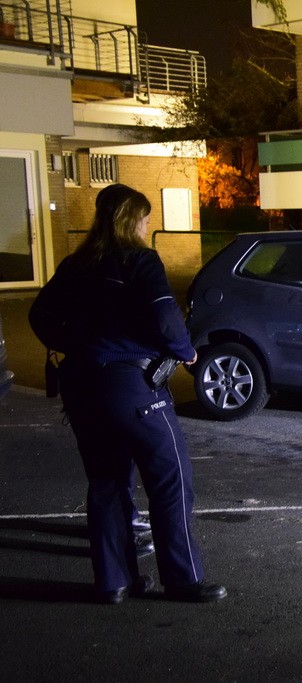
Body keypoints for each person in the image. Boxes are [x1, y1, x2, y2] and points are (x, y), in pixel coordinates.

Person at [29, 184, 226, 604]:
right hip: (132, 387)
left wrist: (78, 342)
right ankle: (183, 578)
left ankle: (114, 582)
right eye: (145, 217)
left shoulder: (75, 264)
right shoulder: (140, 260)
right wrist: (186, 352)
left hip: (81, 385)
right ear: (131, 220)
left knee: (106, 481)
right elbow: (165, 317)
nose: (148, 224)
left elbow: (39, 314)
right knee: (170, 478)